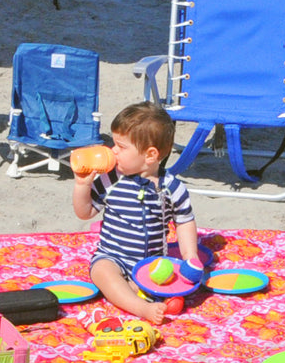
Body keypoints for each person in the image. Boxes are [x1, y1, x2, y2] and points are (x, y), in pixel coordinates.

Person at [73, 101, 199, 325]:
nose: (113, 151)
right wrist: (82, 186)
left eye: (121, 147)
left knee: (174, 288)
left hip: (152, 263)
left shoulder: (170, 187)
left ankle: (133, 290)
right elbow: (85, 212)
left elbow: (184, 221)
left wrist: (190, 257)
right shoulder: (111, 179)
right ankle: (141, 307)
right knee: (101, 270)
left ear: (150, 155)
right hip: (113, 256)